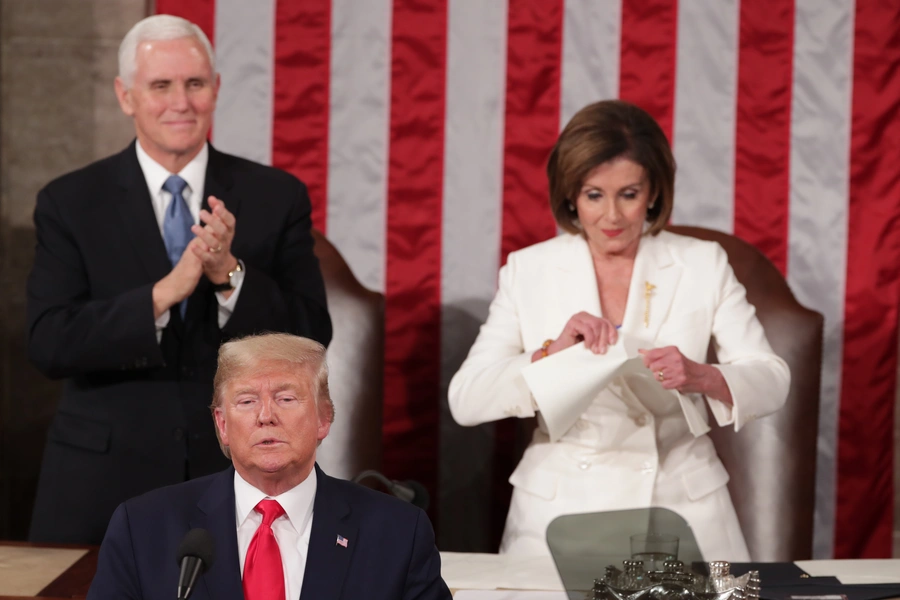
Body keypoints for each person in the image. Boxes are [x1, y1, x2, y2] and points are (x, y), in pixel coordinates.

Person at [26, 15, 331, 544]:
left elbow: (310, 334)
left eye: (194, 84)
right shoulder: (69, 201)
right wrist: (164, 294)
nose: (181, 102)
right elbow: (50, 341)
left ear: (215, 89)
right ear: (126, 96)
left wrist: (228, 274)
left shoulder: (274, 195)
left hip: (233, 478)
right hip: (99, 484)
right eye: (160, 85)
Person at [448, 100, 790, 560]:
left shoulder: (701, 263)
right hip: (561, 509)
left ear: (653, 193)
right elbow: (466, 399)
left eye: (628, 194)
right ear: (571, 195)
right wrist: (549, 357)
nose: (612, 216)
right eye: (594, 195)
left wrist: (701, 375)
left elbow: (772, 378)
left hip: (683, 508)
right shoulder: (529, 270)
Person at [87, 333, 451, 600]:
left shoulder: (398, 532)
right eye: (246, 401)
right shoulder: (144, 527)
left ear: (324, 418)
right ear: (223, 425)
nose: (266, 416)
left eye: (286, 398)